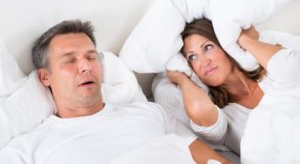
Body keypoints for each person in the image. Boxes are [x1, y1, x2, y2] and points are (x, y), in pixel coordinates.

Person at [0, 20, 231, 164]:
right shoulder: (27, 150)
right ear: (45, 77)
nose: (86, 66)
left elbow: (206, 156)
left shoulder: (151, 114)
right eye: (70, 60)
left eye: (91, 57)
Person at [164, 18, 300, 155]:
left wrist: (242, 38)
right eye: (192, 57)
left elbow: (292, 70)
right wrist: (181, 79)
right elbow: (199, 108)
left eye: (208, 47)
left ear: (225, 45)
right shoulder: (223, 116)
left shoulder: (270, 72)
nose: (204, 62)